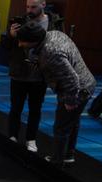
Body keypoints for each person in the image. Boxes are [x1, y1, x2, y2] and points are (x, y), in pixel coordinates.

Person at [17, 23, 96, 165]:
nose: (19, 44)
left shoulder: (51, 52)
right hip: (87, 82)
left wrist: (71, 101)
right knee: (72, 123)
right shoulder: (54, 34)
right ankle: (68, 155)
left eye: (22, 41)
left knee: (61, 127)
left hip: (77, 90)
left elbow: (72, 79)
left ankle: (57, 161)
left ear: (33, 40)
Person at [6, 0, 62, 152]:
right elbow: (7, 48)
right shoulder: (20, 21)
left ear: (43, 4)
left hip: (40, 75)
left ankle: (31, 139)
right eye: (27, 7)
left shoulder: (54, 23)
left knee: (35, 109)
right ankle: (12, 135)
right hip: (19, 72)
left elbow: (60, 45)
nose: (29, 10)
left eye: (33, 7)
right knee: (15, 107)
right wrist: (11, 36)